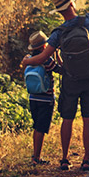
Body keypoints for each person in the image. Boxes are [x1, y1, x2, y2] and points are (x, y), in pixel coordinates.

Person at [22, 0, 89, 171]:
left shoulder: (58, 32)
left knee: (67, 119)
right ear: (73, 4)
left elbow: (42, 57)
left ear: (59, 11)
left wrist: (26, 62)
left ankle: (65, 159)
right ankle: (86, 159)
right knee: (88, 118)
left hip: (70, 80)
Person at [23, 31, 62, 165]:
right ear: (44, 46)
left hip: (33, 97)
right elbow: (60, 69)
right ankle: (36, 158)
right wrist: (57, 55)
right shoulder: (47, 60)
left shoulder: (28, 58)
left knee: (36, 127)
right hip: (46, 99)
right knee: (41, 128)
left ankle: (36, 155)